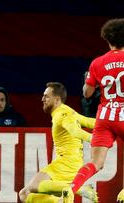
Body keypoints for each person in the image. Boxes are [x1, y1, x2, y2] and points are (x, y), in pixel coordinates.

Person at [62, 18, 124, 203]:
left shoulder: (97, 63)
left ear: (107, 40)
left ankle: (71, 188)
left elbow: (87, 93)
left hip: (104, 116)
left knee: (95, 163)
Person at [18, 82, 98, 203]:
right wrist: (111, 123)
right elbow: (88, 121)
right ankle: (66, 195)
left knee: (33, 187)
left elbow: (75, 131)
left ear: (56, 99)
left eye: (46, 96)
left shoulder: (62, 114)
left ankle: (73, 189)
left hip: (66, 163)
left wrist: (94, 140)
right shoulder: (67, 111)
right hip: (70, 162)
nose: (42, 99)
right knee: (24, 194)